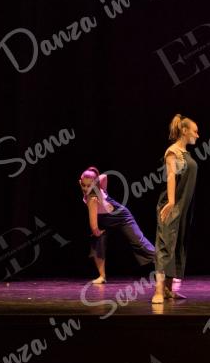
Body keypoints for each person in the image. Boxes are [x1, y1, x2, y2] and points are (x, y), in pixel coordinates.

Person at [152, 114, 199, 304]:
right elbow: (171, 176)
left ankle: (168, 289)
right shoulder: (173, 152)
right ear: (184, 131)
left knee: (177, 245)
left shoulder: (185, 153)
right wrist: (171, 202)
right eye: (195, 131)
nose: (197, 135)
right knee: (165, 245)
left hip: (184, 206)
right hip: (171, 205)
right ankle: (158, 290)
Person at [79, 167, 155, 283]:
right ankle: (102, 276)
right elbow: (103, 176)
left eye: (89, 186)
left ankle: (167, 270)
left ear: (95, 184)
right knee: (98, 244)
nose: (85, 188)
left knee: (139, 242)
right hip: (104, 219)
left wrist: (97, 232)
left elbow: (94, 227)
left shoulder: (92, 198)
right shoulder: (92, 189)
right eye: (83, 185)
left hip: (121, 217)